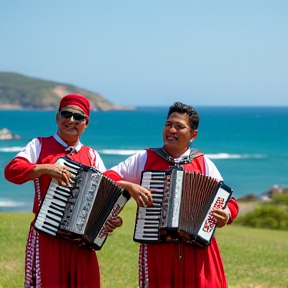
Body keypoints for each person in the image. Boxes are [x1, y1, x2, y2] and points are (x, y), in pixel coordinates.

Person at [104, 102, 239, 288]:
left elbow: (230, 201)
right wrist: (129, 187)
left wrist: (226, 215)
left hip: (197, 251)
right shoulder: (145, 158)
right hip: (156, 248)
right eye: (168, 124)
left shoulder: (203, 163)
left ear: (193, 135)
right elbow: (107, 177)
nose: (172, 130)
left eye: (179, 126)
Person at [4, 94, 121, 288]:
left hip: (81, 241)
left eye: (79, 117)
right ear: (57, 117)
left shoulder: (92, 155)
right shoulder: (39, 145)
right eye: (66, 114)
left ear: (86, 123)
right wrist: (43, 168)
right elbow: (12, 171)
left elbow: (105, 195)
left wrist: (110, 219)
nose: (72, 120)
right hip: (46, 235)